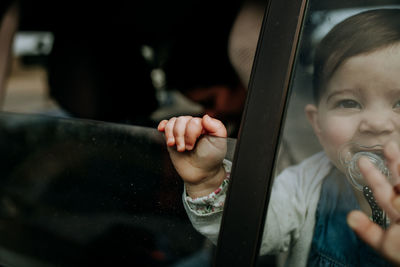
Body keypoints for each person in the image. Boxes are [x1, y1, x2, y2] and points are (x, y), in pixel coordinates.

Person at [158, 9, 400, 266]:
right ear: (317, 123)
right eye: (349, 102)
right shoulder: (305, 184)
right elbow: (250, 229)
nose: (375, 124)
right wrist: (207, 180)